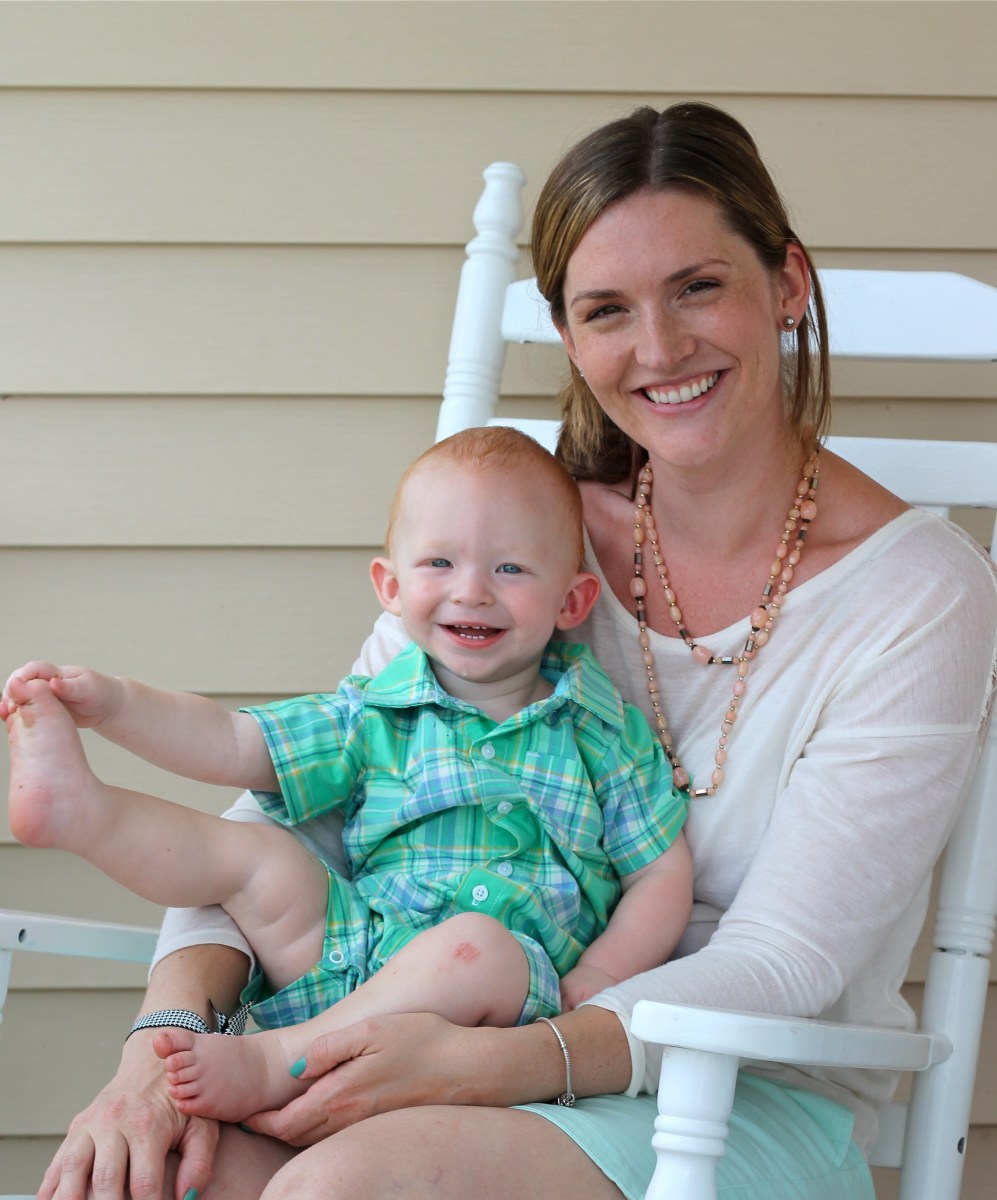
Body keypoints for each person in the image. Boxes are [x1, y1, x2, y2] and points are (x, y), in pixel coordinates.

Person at [26, 101, 997, 1200]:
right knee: (149, 1179)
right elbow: (289, 815)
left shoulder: (917, 594)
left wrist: (491, 1064)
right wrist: (157, 1054)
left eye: (697, 286)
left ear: (786, 284)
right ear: (571, 341)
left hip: (739, 1094)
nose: (658, 348)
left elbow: (785, 962)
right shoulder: (505, 551)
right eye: (606, 310)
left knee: (336, 1190)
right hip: (423, 1037)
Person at [3, 426, 691, 1127]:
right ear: (390, 586)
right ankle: (82, 813)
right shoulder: (370, 713)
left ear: (572, 602)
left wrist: (602, 974)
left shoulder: (601, 732)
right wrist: (115, 705)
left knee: (476, 944)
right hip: (351, 950)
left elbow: (660, 873)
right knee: (258, 856)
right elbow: (232, 741)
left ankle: (279, 1059)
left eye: (510, 568)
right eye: (439, 562)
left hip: (492, 1004)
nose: (472, 591)